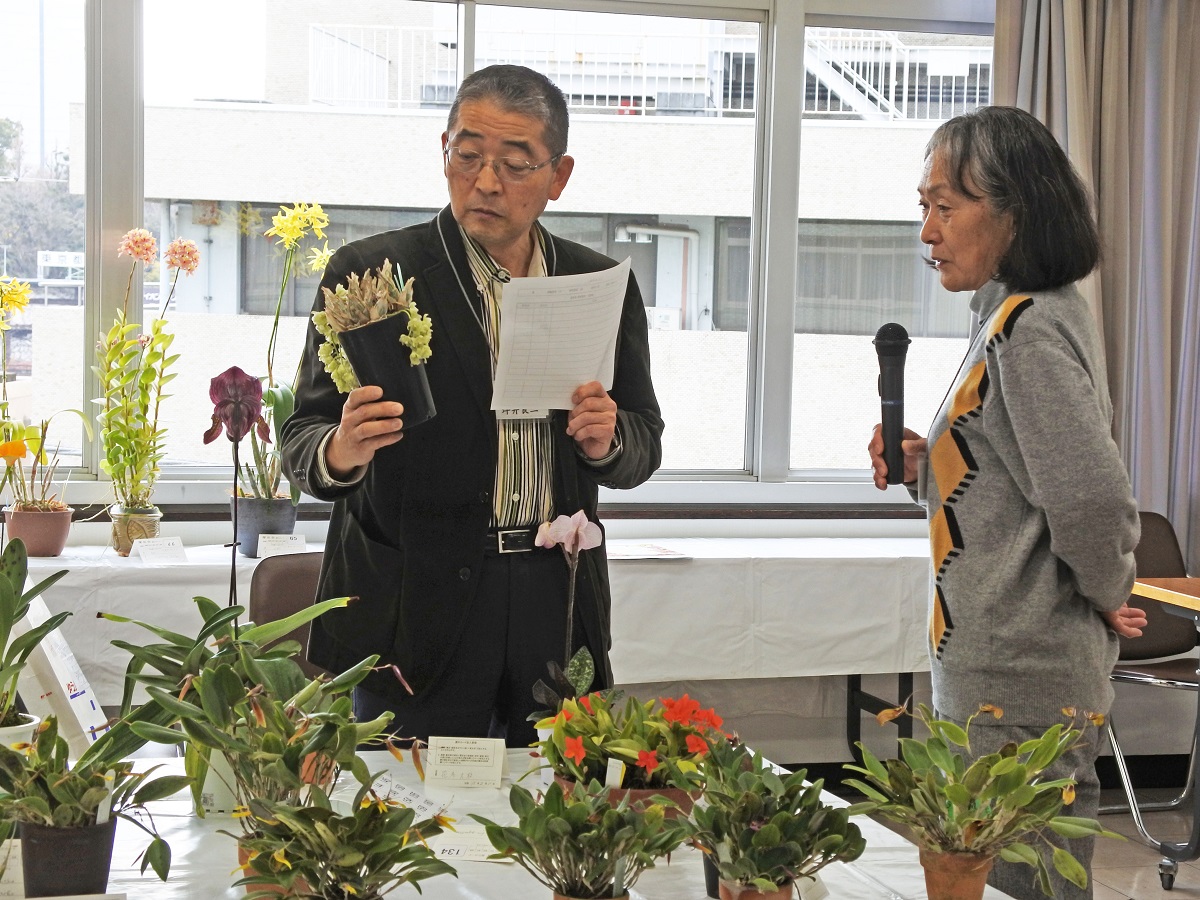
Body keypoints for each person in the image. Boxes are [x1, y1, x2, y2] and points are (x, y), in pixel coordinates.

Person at [281, 64, 663, 749]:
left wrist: (607, 441)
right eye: (468, 156)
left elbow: (643, 442)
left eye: (515, 164)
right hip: (410, 605)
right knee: (405, 828)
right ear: (445, 152)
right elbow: (302, 439)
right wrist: (341, 451)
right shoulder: (373, 276)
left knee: (551, 824)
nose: (486, 182)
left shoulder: (597, 283)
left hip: (554, 601)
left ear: (558, 176)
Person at [867, 105, 1145, 900]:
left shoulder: (1025, 330)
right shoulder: (1006, 317)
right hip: (1004, 669)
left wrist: (1109, 590)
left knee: (1023, 887)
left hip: (1020, 679)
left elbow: (1091, 500)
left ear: (1015, 213)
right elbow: (1017, 480)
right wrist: (931, 465)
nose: (927, 231)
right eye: (923, 206)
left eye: (945, 207)